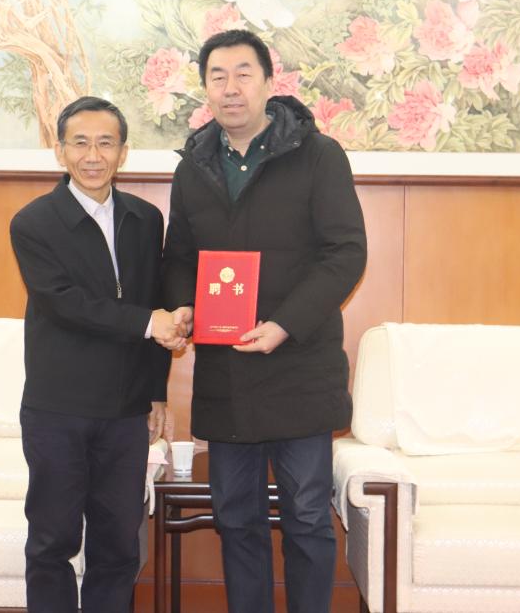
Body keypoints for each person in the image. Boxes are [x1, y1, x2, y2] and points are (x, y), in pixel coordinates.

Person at [162, 30, 367, 613]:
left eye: (243, 74)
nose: (231, 88)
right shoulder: (193, 166)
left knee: (307, 516)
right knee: (235, 519)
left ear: (270, 83)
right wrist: (184, 306)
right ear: (206, 89)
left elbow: (345, 252)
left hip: (300, 367)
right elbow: (179, 257)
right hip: (227, 375)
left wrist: (283, 324)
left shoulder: (318, 154)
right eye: (218, 77)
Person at [10, 96, 185, 613]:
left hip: (125, 411)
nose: (93, 155)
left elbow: (154, 302)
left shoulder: (146, 218)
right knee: (53, 542)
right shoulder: (34, 222)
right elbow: (63, 304)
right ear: (60, 151)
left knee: (119, 546)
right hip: (57, 409)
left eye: (106, 143)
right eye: (80, 143)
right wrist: (148, 323)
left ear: (123, 152)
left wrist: (155, 392)